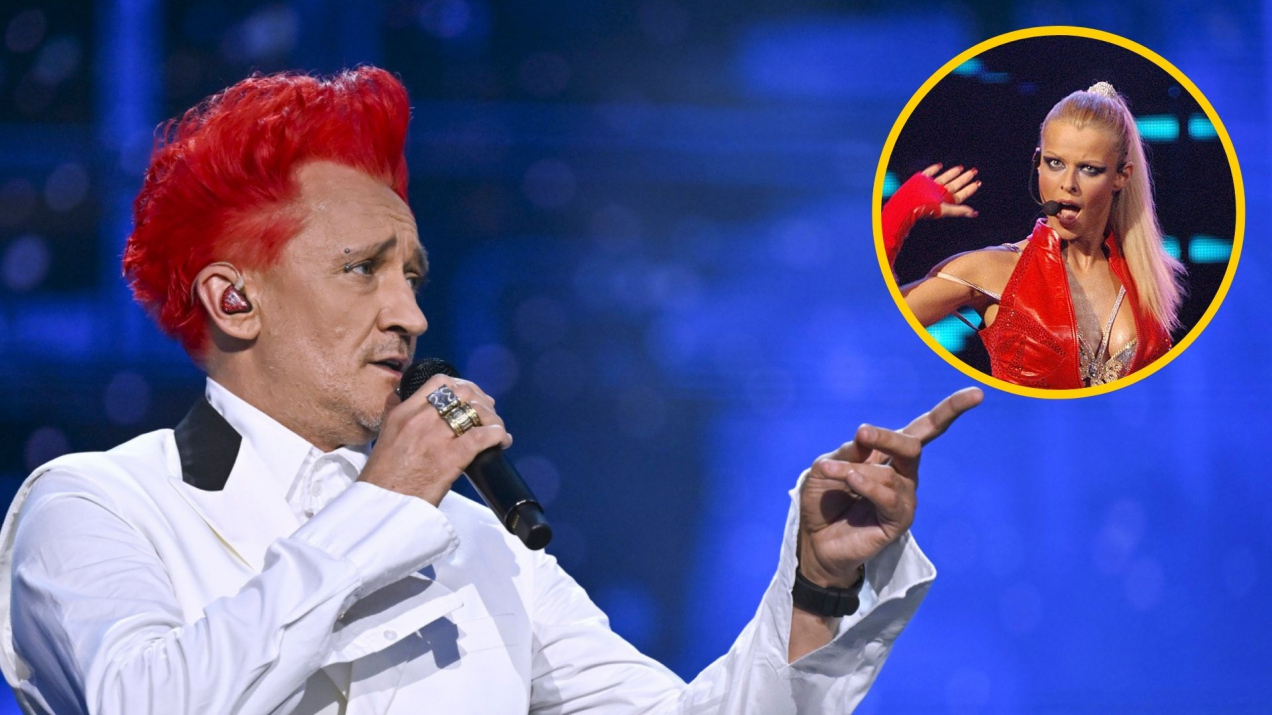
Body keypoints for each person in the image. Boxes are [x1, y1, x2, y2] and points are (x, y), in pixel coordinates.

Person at [0, 68, 980, 714]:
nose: (410, 315)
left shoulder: (474, 540)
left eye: (412, 276)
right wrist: (384, 501)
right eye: (362, 270)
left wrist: (818, 584)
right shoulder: (94, 507)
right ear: (233, 299)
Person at [883, 81, 1185, 389]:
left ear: (1121, 176)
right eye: (1055, 163)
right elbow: (875, 324)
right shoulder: (992, 270)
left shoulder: (1148, 277)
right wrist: (897, 214)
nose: (1068, 183)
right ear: (1037, 163)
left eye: (1089, 169)